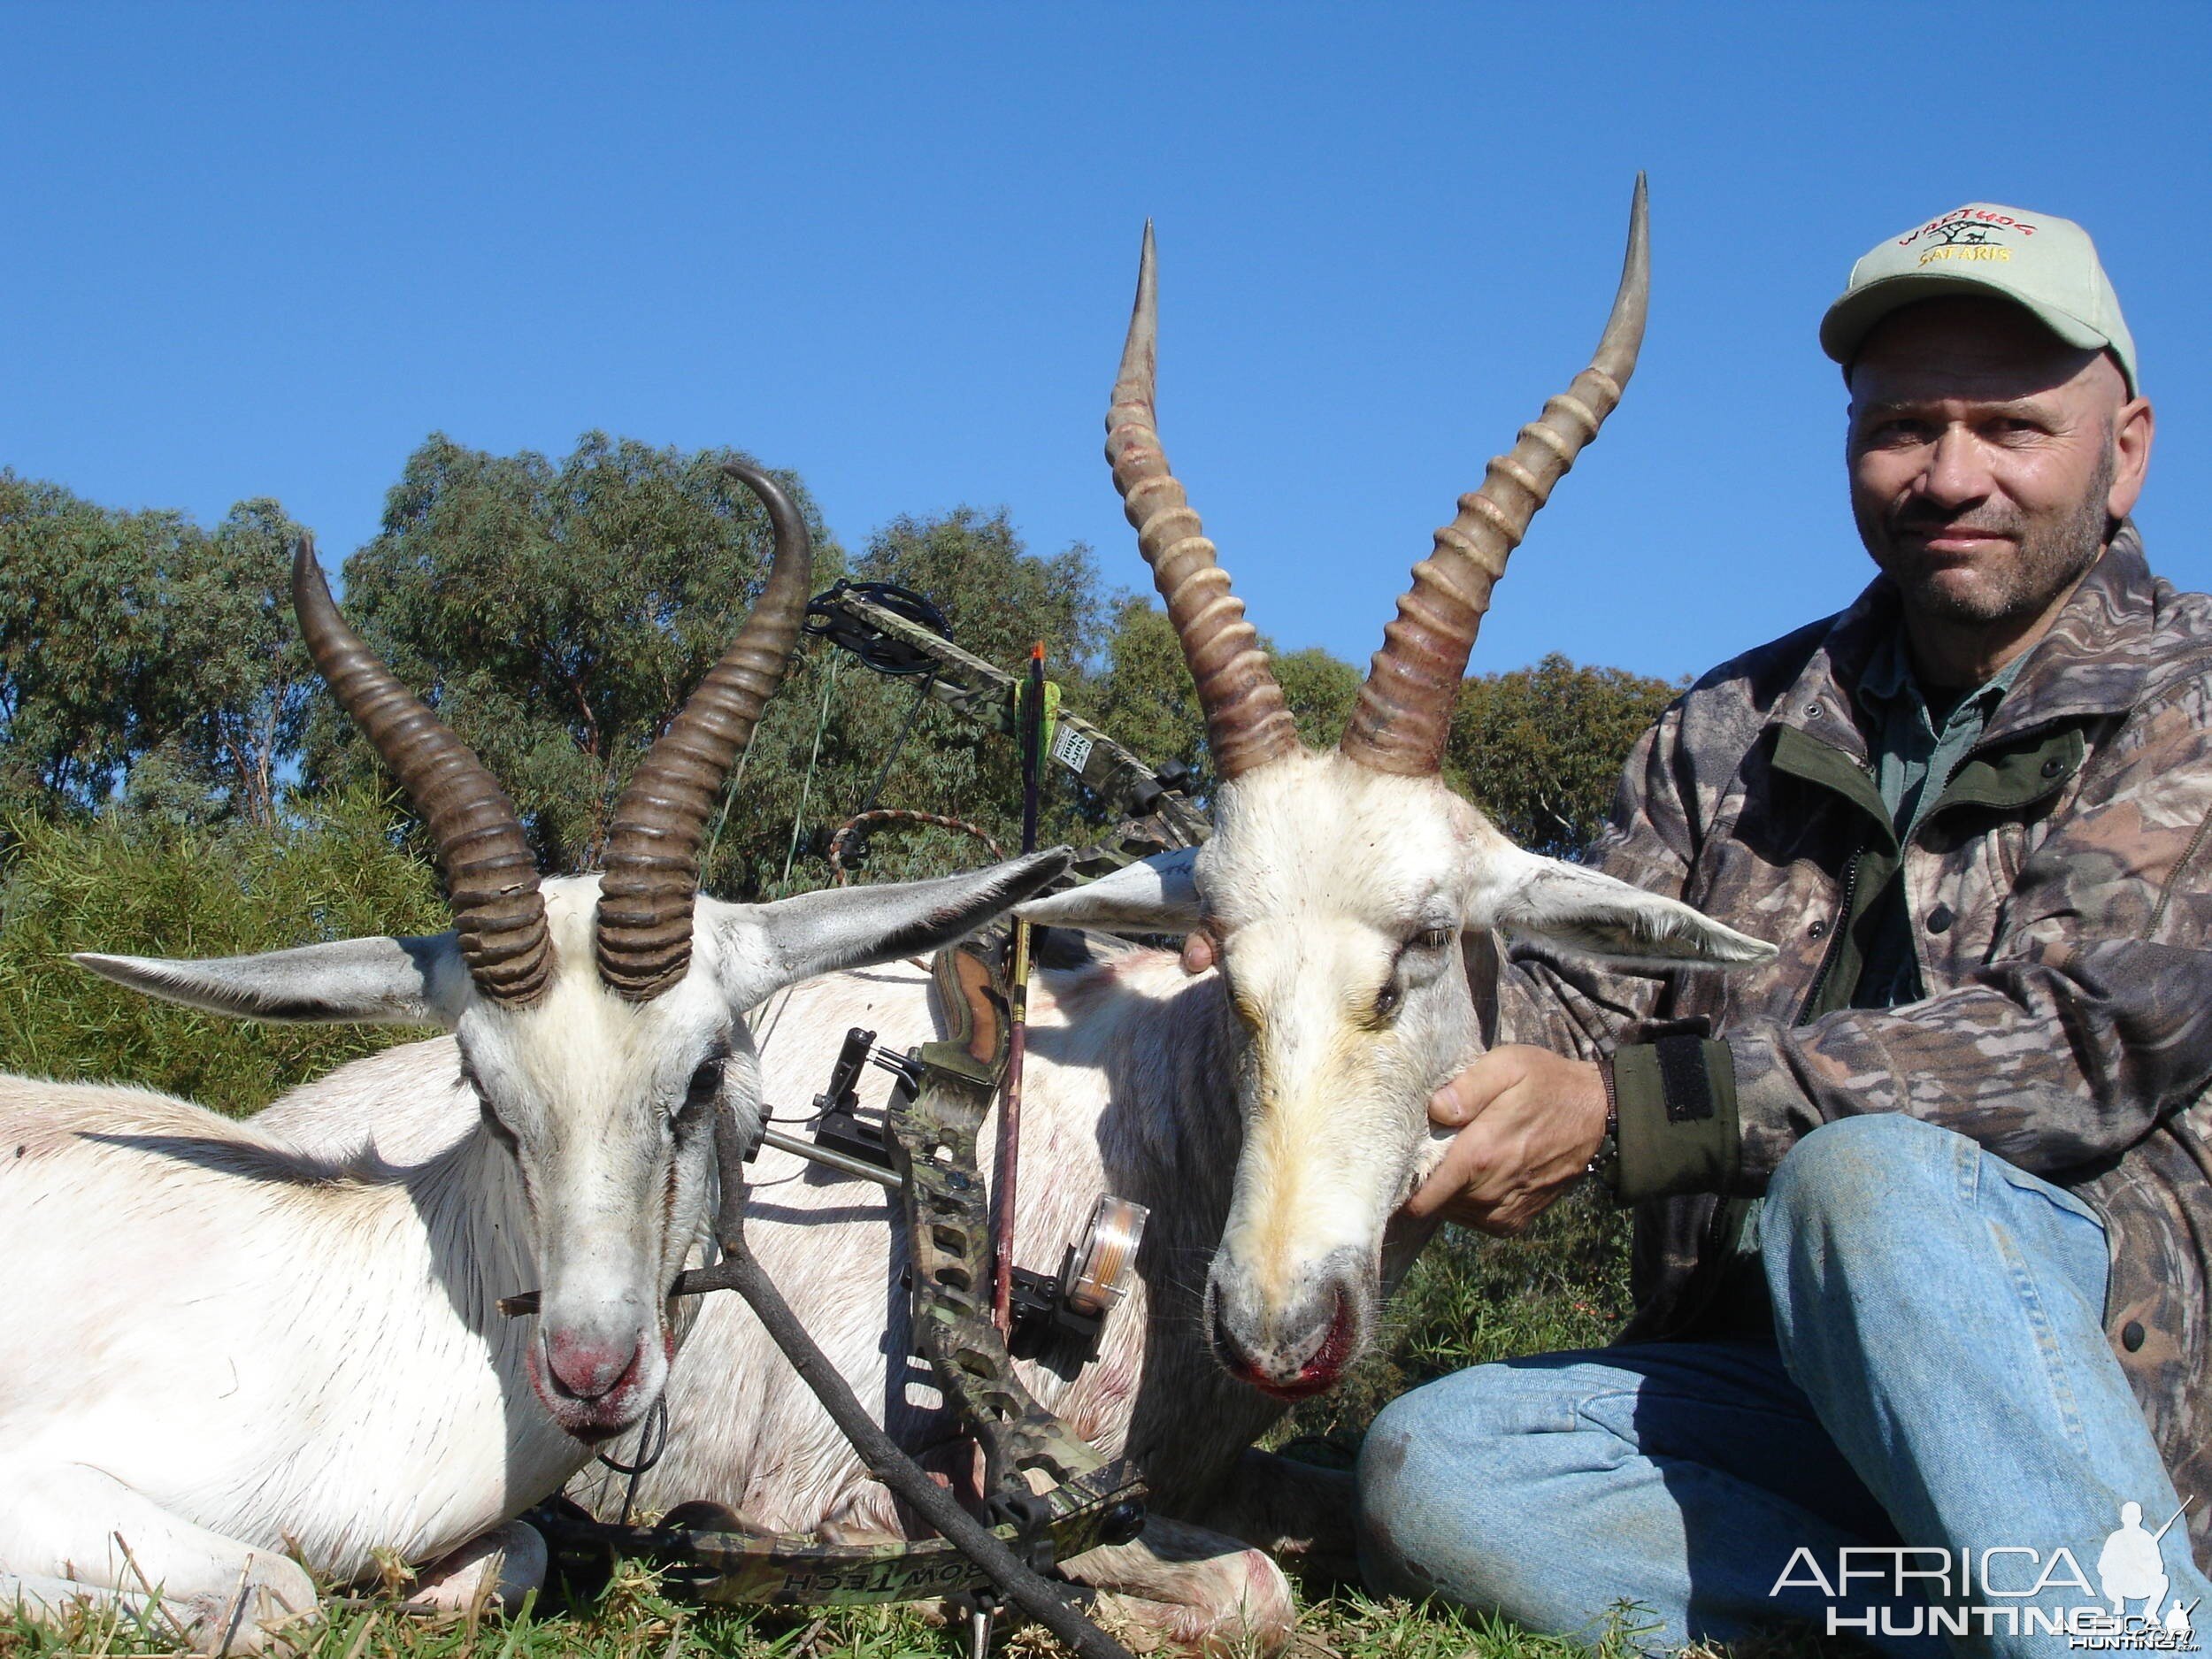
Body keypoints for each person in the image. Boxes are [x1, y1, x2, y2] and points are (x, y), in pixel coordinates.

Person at [1356, 202, 2212, 1656]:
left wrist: (1637, 1117)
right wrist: (1338, 961)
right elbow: (1566, 1020)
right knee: (1437, 1464)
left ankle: (2112, 1613)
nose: (1950, 475)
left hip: (2113, 1423)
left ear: (2123, 449)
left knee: (1862, 1183)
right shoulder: (1728, 729)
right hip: (1776, 1398)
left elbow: (2071, 1044)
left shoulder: (2188, 700)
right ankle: (2009, 1630)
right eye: (1902, 427)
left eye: (2011, 426)